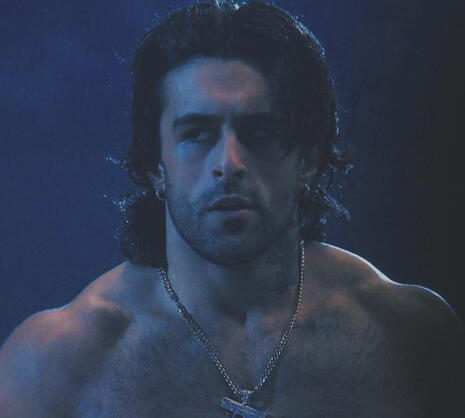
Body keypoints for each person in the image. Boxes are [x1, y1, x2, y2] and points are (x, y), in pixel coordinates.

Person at [0, 1, 463, 417]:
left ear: (308, 159)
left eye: (259, 132)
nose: (229, 163)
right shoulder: (52, 363)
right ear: (154, 165)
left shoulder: (408, 337)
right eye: (198, 134)